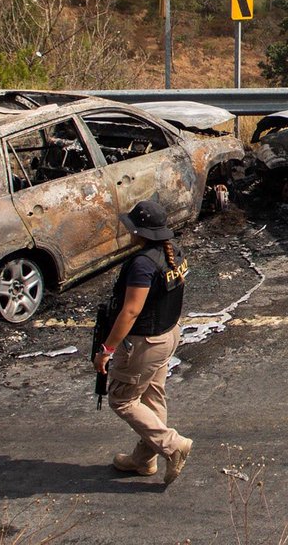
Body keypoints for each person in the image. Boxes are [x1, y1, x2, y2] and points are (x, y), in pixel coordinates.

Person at [92, 199, 193, 485]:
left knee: (122, 399)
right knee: (151, 396)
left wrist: (107, 349)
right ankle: (144, 460)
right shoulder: (172, 251)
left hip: (145, 343)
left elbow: (131, 310)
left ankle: (173, 446)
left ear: (142, 232)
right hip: (167, 335)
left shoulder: (142, 264)